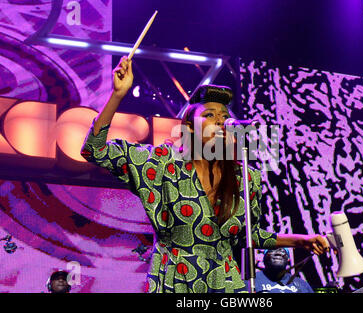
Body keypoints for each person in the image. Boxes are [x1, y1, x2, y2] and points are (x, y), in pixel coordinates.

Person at [80, 56, 330, 293]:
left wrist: (301, 241)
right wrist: (118, 95)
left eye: (224, 117)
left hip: (225, 283)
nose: (221, 121)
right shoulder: (163, 162)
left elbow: (249, 235)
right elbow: (94, 150)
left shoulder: (245, 178)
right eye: (209, 115)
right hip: (174, 280)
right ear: (189, 125)